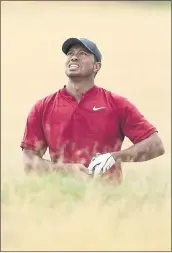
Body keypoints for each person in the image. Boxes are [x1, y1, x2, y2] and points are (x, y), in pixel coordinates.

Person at [20, 37, 165, 183]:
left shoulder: (116, 104)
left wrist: (114, 157)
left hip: (108, 198)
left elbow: (156, 145)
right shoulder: (43, 107)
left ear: (96, 66)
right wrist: (67, 170)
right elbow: (29, 162)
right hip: (59, 198)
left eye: (83, 54)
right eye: (70, 53)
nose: (74, 57)